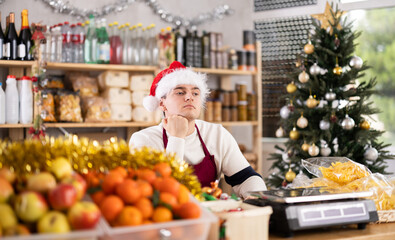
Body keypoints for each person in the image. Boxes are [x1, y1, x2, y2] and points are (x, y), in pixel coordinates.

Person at [129, 61, 267, 198]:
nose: (189, 97)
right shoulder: (144, 140)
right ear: (162, 103)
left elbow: (245, 178)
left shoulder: (216, 134)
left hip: (212, 215)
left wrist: (257, 198)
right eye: (180, 92)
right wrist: (177, 138)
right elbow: (160, 191)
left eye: (195, 93)